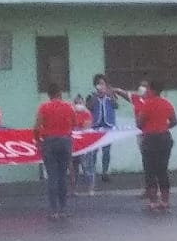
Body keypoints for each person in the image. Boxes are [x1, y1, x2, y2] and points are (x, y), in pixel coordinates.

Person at [131, 80, 177, 212]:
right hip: (164, 138)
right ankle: (165, 201)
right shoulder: (166, 103)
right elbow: (174, 121)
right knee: (162, 170)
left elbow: (139, 123)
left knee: (150, 171)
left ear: (151, 90)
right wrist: (164, 127)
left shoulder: (147, 104)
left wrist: (148, 126)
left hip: (150, 139)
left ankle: (153, 201)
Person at [35, 85, 77, 220]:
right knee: (62, 175)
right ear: (60, 94)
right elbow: (75, 123)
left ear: (49, 95)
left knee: (52, 176)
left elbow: (37, 126)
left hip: (49, 141)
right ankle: (63, 209)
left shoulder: (44, 107)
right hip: (65, 141)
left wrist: (38, 141)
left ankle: (53, 210)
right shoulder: (69, 106)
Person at [87, 74, 119, 183]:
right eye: (98, 83)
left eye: (102, 83)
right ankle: (92, 172)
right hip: (95, 126)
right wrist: (96, 96)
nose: (100, 85)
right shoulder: (91, 96)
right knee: (94, 151)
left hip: (107, 125)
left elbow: (116, 106)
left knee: (106, 151)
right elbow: (89, 107)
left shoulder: (110, 96)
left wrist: (110, 95)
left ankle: (105, 172)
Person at [71, 95, 95, 196]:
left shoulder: (87, 114)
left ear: (84, 104)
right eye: (76, 103)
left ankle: (90, 189)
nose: (78, 105)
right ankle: (74, 190)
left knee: (87, 167)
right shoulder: (71, 114)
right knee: (74, 168)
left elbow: (86, 127)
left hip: (85, 144)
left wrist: (78, 127)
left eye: (80, 102)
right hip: (73, 144)